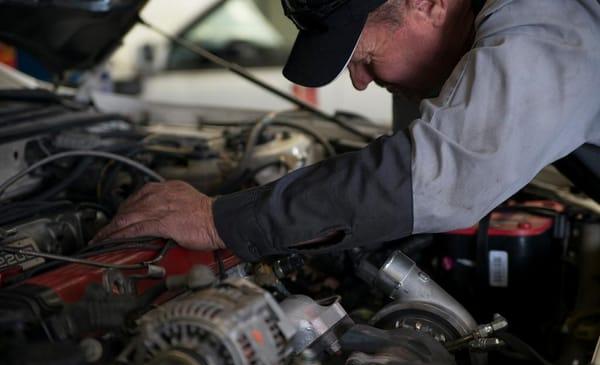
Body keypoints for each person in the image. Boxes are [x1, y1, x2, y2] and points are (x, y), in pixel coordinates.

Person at [94, 0, 600, 261]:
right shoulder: (474, 36)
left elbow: (437, 178)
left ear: (427, 4)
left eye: (366, 58)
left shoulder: (542, 24)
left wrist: (217, 220)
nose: (359, 82)